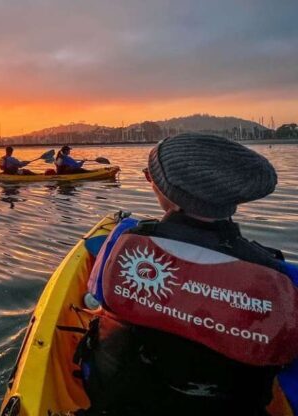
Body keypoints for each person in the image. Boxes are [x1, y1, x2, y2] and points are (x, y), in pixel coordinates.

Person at [77, 133, 298, 415]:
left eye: (150, 177)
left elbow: (98, 297)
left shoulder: (126, 242)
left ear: (167, 193)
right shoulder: (276, 273)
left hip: (121, 403)